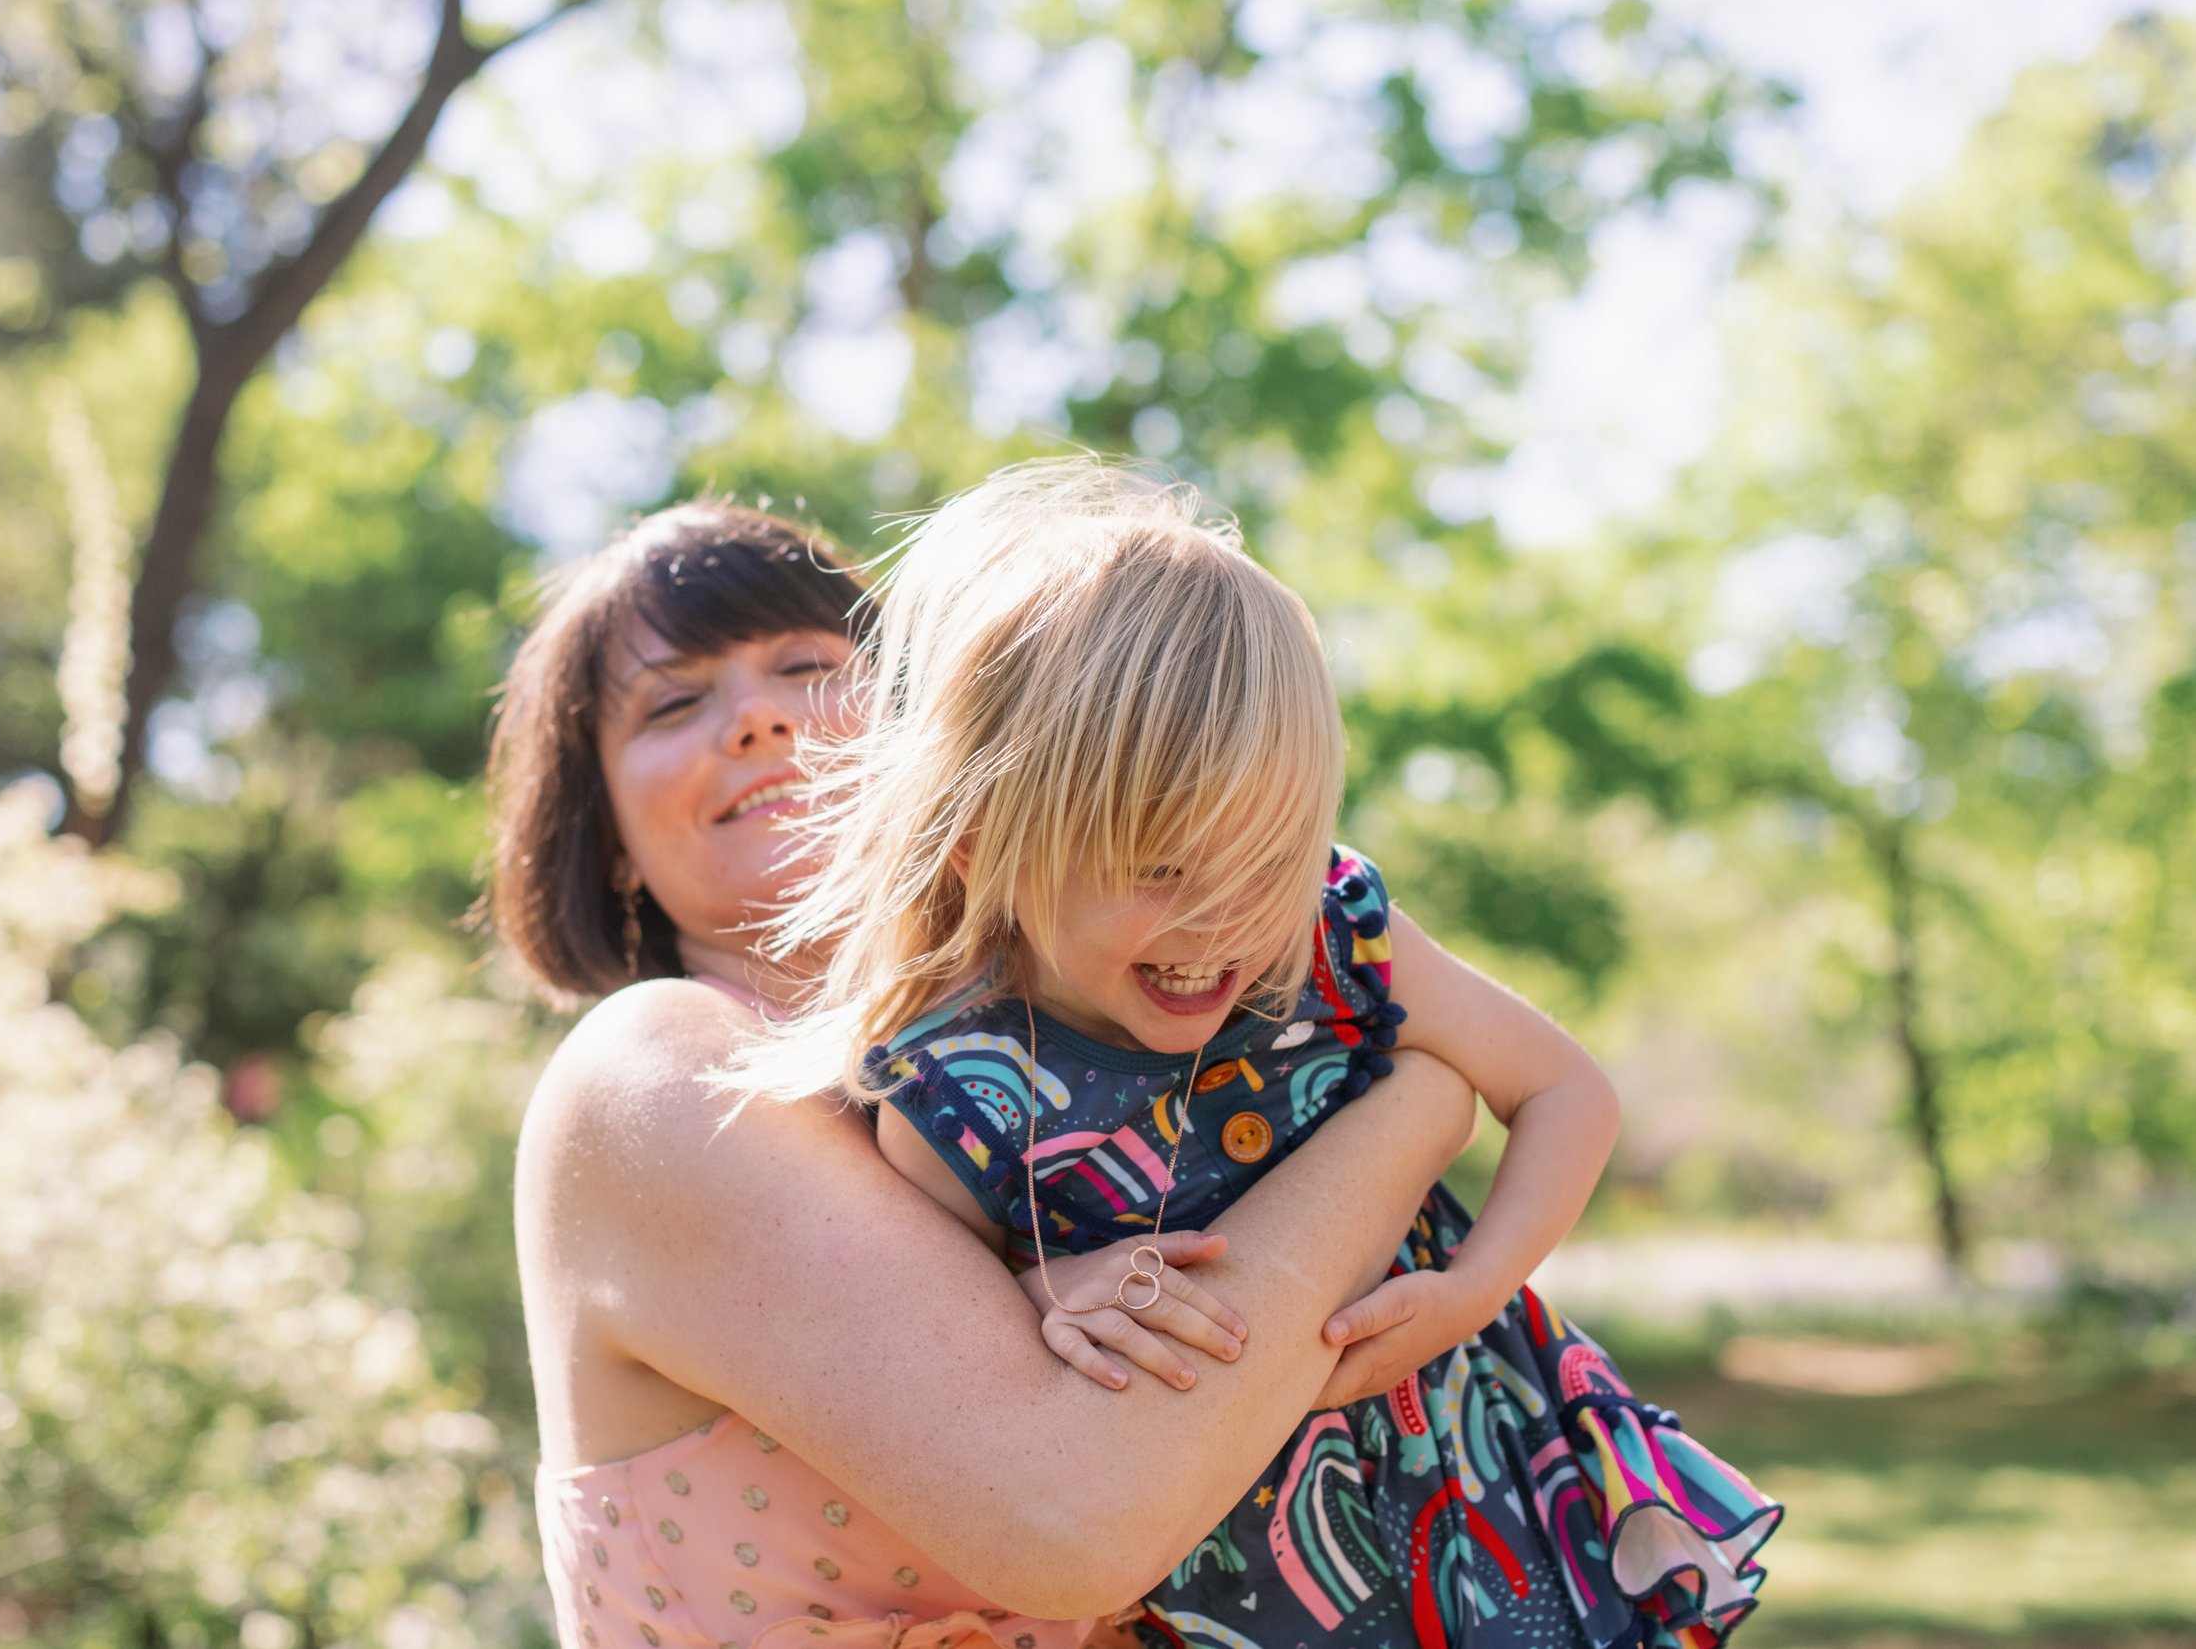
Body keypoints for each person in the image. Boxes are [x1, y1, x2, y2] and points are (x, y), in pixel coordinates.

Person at [740, 461, 1783, 1649]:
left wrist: (1468, 1291)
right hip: (1253, 1588)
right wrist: (1042, 1292)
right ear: (984, 846)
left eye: (1266, 859)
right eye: (1160, 868)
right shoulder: (953, 1096)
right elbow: (956, 1355)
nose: (1220, 923)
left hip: (1489, 1492)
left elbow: (1563, 1090)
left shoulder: (1337, 931)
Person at [492, 501, 1481, 1649]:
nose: (756, 717)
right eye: (674, 701)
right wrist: (1421, 1104)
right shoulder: (654, 1072)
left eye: (805, 664)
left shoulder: (1061, 1052)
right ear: (606, 831)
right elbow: (1078, 1520)